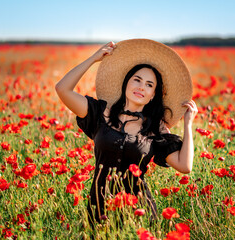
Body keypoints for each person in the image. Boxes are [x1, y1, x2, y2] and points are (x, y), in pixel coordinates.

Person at [55, 39, 198, 228]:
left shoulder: (156, 128)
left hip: (137, 214)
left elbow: (184, 166)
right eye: (137, 80)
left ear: (153, 94)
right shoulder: (100, 113)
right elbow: (62, 89)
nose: (141, 87)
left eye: (149, 85)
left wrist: (188, 124)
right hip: (99, 210)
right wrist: (93, 59)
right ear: (126, 83)